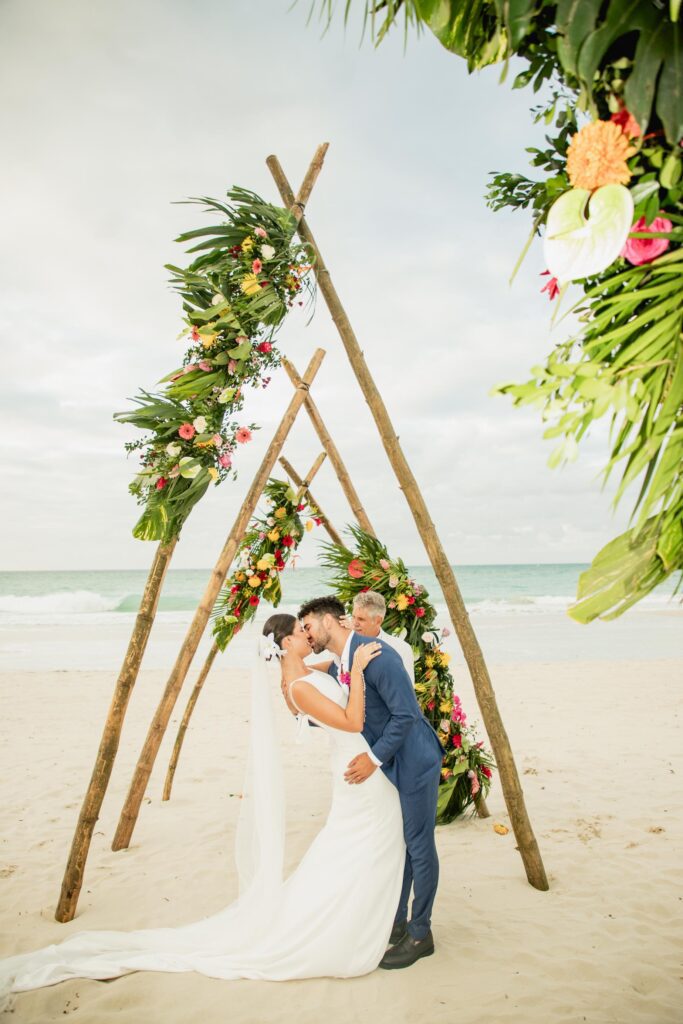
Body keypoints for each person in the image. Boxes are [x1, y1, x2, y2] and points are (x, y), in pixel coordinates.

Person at [0, 614, 405, 997]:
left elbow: (325, 677)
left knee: (349, 848)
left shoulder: (302, 676)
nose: (308, 635)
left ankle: (358, 919)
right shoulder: (297, 687)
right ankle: (341, 927)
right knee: (358, 844)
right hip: (357, 770)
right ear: (285, 643)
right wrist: (358, 676)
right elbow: (351, 721)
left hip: (358, 766)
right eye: (301, 632)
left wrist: (345, 658)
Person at [299, 595, 445, 970]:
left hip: (414, 761)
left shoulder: (375, 654)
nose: (306, 633)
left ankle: (420, 933)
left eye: (308, 626)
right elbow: (335, 698)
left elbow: (406, 716)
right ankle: (398, 923)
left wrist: (374, 758)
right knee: (404, 842)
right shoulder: (344, 661)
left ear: (328, 621)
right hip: (394, 763)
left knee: (419, 845)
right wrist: (288, 662)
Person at [351, 590, 416, 684]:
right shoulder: (345, 643)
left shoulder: (401, 649)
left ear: (378, 621)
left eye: (361, 619)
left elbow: (407, 691)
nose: (354, 623)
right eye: (353, 617)